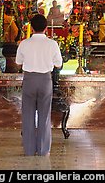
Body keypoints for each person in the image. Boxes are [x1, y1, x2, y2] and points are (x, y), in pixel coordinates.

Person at [15, 13, 63, 156]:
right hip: (45, 81)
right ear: (46, 28)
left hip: (29, 80)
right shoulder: (52, 44)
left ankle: (29, 150)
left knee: (28, 115)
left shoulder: (24, 43)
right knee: (44, 115)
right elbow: (58, 64)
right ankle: (43, 150)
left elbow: (18, 62)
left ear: (31, 27)